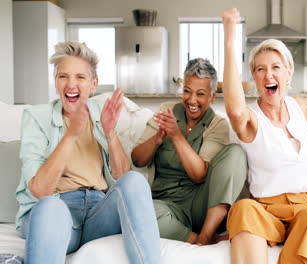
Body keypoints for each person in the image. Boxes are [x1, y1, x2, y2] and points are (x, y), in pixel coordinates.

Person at [15, 41, 161, 264]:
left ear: (94, 84)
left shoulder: (100, 115)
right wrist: (71, 135)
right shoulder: (36, 117)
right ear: (55, 82)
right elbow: (40, 190)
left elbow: (123, 179)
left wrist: (110, 133)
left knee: (134, 181)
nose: (71, 84)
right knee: (49, 205)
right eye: (63, 76)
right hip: (58, 211)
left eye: (80, 77)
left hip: (98, 213)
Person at [221, 8, 307, 264]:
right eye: (261, 69)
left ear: (289, 72)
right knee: (242, 209)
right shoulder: (251, 120)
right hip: (266, 211)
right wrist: (230, 38)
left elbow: (304, 157)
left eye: (276, 67)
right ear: (254, 76)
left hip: (306, 209)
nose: (269, 75)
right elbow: (233, 108)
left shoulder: (301, 107)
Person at [132, 58, 247, 245]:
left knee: (235, 153)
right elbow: (137, 160)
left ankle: (207, 233)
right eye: (187, 91)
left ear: (212, 96)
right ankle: (198, 240)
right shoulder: (166, 110)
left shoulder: (217, 125)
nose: (192, 100)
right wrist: (156, 140)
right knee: (138, 211)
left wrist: (176, 136)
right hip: (165, 205)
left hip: (201, 205)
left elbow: (199, 174)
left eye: (200, 94)